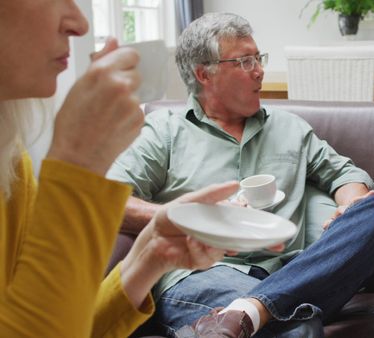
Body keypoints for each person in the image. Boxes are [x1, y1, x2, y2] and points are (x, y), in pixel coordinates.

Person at [107, 12, 374, 337]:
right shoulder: (165, 130)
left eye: (258, 58)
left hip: (293, 273)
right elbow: (109, 201)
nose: (260, 71)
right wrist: (195, 218)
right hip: (202, 273)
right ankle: (256, 312)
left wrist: (350, 204)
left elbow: (344, 174)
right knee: (298, 328)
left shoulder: (289, 127)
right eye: (245, 61)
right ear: (204, 74)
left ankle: (248, 312)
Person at [0, 1, 238, 337]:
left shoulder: (11, 161)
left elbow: (61, 322)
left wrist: (151, 255)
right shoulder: (167, 129)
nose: (79, 23)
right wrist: (79, 167)